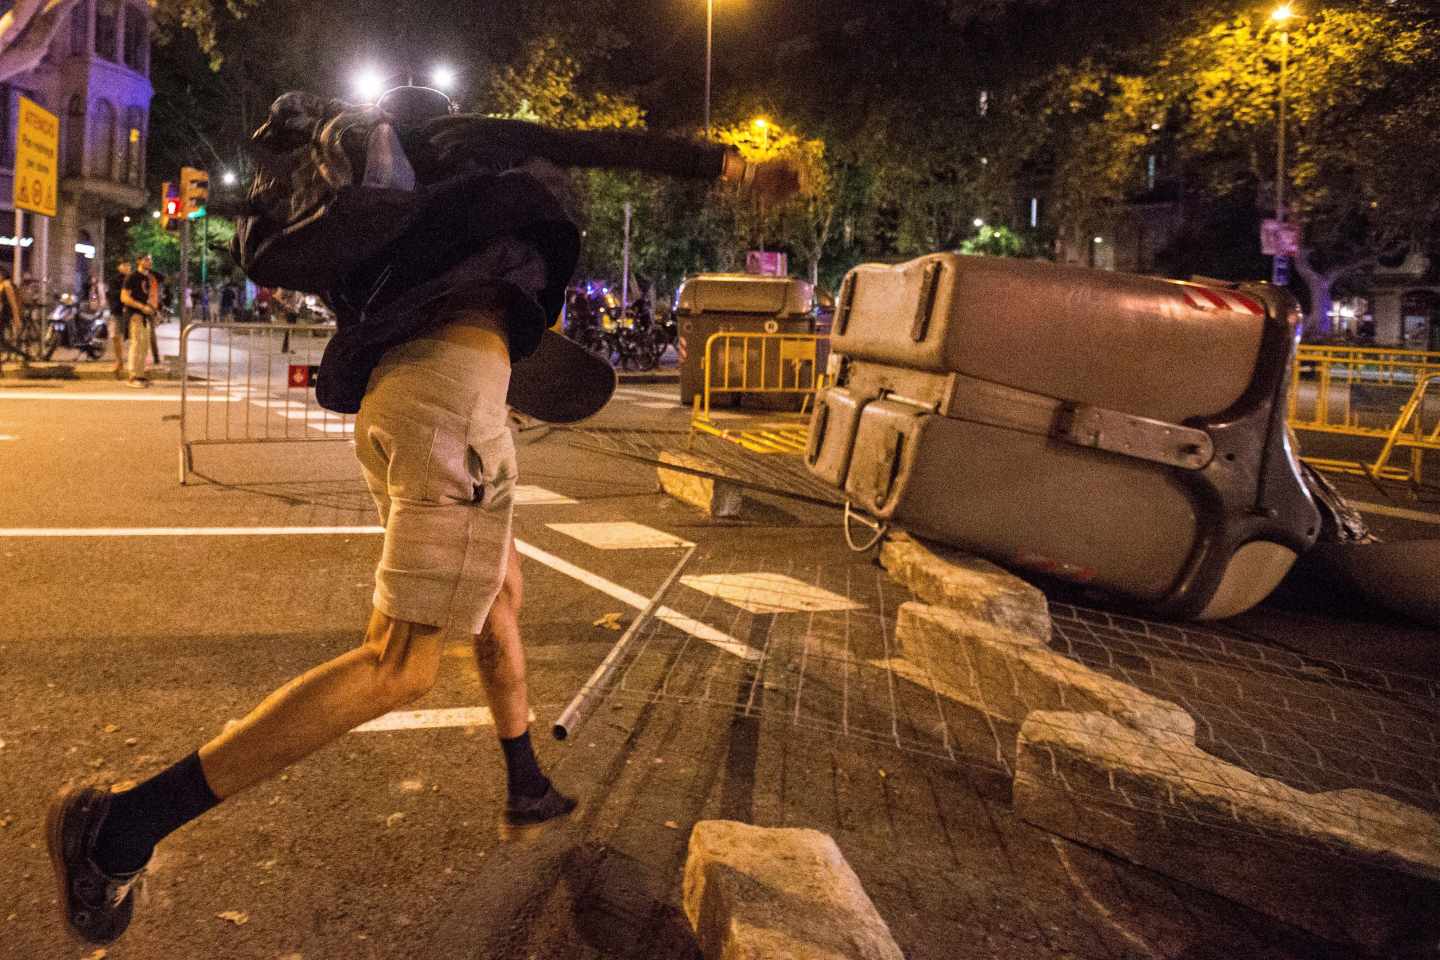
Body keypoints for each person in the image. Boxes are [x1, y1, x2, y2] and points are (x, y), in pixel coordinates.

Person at [46, 85, 801, 946]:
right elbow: (585, 139)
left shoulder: (380, 225)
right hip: (454, 406)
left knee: (499, 586)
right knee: (399, 667)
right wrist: (727, 162)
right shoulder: (457, 143)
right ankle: (122, 829)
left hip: (404, 402)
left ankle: (525, 780)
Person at [118, 254, 159, 387]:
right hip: (134, 315)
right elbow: (124, 297)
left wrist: (153, 309)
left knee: (144, 345)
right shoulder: (132, 277)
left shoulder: (148, 278)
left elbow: (149, 296)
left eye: (150, 260)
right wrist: (141, 307)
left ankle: (140, 375)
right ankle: (132, 376)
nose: (149, 262)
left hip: (146, 316)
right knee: (136, 344)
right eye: (146, 259)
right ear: (139, 261)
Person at [105, 260, 131, 378]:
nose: (126, 267)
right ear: (119, 267)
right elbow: (111, 294)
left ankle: (133, 363)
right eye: (124, 265)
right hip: (117, 311)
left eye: (128, 265)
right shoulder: (114, 280)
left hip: (132, 312)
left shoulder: (133, 279)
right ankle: (119, 361)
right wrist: (124, 294)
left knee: (134, 338)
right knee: (115, 336)